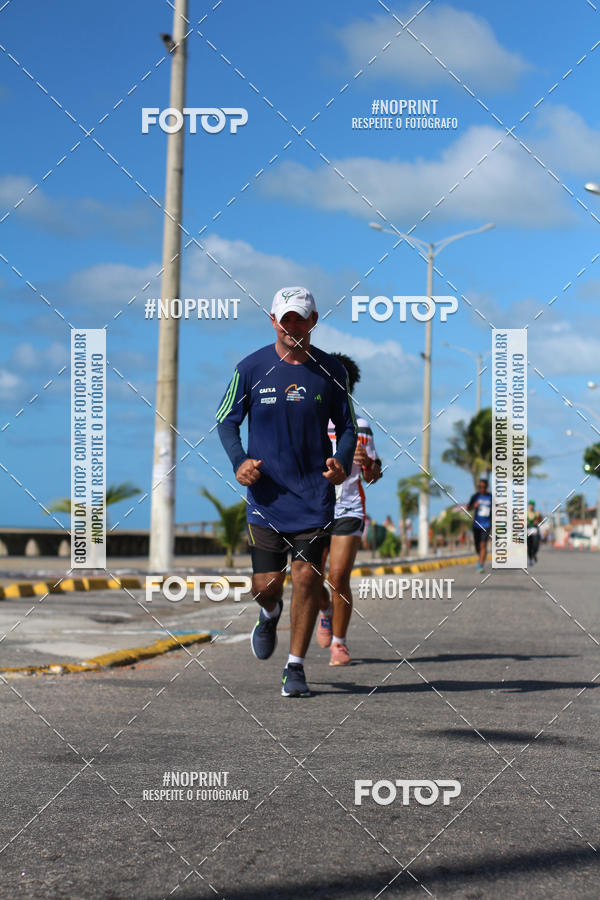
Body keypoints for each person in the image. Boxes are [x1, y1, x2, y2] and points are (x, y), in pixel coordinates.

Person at [216, 287, 357, 697]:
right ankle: (269, 610)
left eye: (301, 318)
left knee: (307, 579)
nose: (293, 326)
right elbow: (226, 420)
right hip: (266, 497)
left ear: (313, 321)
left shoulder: (331, 370)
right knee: (264, 583)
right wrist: (239, 460)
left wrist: (341, 461)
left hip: (314, 496)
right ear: (273, 320)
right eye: (286, 319)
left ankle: (295, 666)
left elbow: (347, 426)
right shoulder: (251, 367)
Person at [316, 353, 382, 665]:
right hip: (311, 509)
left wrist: (367, 463)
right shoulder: (307, 420)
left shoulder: (362, 427)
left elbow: (373, 475)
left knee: (339, 577)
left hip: (348, 508)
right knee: (311, 579)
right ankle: (325, 611)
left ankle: (339, 643)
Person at [467, 477, 492, 572]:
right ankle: (480, 558)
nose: (481, 488)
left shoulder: (490, 497)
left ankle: (481, 565)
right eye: (480, 487)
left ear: (486, 487)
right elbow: (468, 508)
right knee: (477, 546)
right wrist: (474, 506)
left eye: (483, 487)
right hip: (476, 524)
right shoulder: (475, 496)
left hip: (486, 525)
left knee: (483, 544)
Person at [527, 500, 542, 565]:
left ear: (534, 506)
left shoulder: (537, 513)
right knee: (529, 546)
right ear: (528, 506)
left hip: (535, 530)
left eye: (532, 505)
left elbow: (541, 520)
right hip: (528, 531)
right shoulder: (526, 514)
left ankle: (534, 554)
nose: (531, 506)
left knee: (535, 545)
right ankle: (530, 559)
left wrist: (538, 521)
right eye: (530, 505)